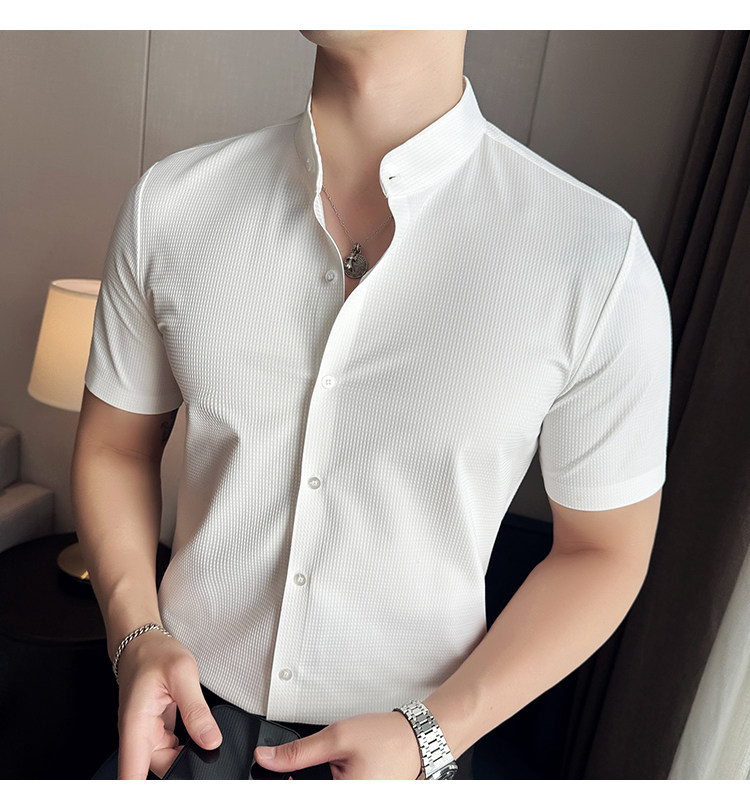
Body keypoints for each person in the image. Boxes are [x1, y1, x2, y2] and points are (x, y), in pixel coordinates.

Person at [71, 30, 671, 780]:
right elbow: (116, 446)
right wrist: (134, 637)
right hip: (182, 732)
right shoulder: (171, 204)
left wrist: (433, 735)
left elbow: (604, 551)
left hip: (416, 749)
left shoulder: (596, 258)